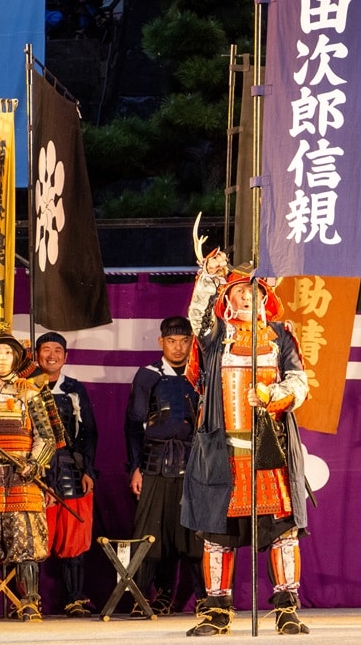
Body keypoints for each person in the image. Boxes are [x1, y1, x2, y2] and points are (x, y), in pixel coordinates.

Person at [181, 251, 311, 636]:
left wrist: (273, 394)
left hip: (269, 453)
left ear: (265, 297)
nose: (247, 296)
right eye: (239, 290)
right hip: (223, 452)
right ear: (228, 297)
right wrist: (207, 276)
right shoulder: (214, 337)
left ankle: (287, 608)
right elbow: (197, 317)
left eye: (254, 290)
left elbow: (300, 383)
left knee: (283, 534)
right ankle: (217, 611)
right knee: (216, 536)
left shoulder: (281, 336)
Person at [124, 316, 205, 616]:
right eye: (172, 341)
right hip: (155, 464)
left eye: (184, 341)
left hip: (193, 465)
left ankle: (206, 599)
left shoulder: (200, 375)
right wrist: (135, 467)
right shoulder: (148, 375)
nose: (178, 347)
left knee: (194, 535)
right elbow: (133, 425)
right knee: (151, 535)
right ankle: (145, 598)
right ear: (161, 342)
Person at [0, 332, 57, 623]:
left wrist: (34, 465)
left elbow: (46, 438)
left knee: (27, 546)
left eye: (7, 353)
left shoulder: (31, 392)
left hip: (22, 479)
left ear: (17, 358)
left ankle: (29, 603)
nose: (1, 358)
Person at [36, 332, 98, 617]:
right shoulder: (27, 388)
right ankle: (30, 600)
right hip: (36, 470)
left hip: (70, 469)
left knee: (74, 535)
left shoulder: (75, 389)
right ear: (37, 355)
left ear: (65, 356)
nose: (51, 355)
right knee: (36, 535)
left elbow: (88, 434)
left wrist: (87, 470)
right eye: (45, 349)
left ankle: (75, 598)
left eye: (57, 349)